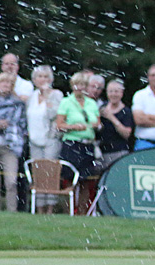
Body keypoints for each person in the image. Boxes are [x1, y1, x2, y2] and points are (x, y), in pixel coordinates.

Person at [56, 71, 100, 213]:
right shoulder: (66, 102)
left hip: (87, 144)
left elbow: (97, 122)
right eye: (77, 84)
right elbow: (59, 125)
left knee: (86, 180)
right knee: (70, 179)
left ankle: (83, 212)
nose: (79, 87)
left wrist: (94, 125)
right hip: (72, 144)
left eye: (82, 85)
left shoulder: (91, 103)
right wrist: (74, 127)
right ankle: (69, 211)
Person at [26, 65, 63, 213]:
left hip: (50, 139)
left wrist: (47, 98)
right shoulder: (31, 96)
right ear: (34, 80)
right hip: (34, 139)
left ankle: (50, 208)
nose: (42, 80)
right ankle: (39, 208)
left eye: (46, 77)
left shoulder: (56, 94)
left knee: (50, 173)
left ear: (51, 79)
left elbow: (55, 115)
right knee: (38, 173)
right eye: (39, 76)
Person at [0, 71, 27, 211]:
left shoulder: (18, 104)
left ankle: (12, 211)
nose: (5, 85)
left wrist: (10, 126)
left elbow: (23, 125)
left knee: (11, 182)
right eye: (2, 82)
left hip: (11, 146)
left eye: (8, 83)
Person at [98, 79, 134, 169]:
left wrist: (112, 118)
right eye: (111, 91)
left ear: (121, 93)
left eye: (116, 91)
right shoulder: (102, 108)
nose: (113, 94)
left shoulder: (126, 111)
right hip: (102, 152)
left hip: (119, 152)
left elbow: (126, 134)